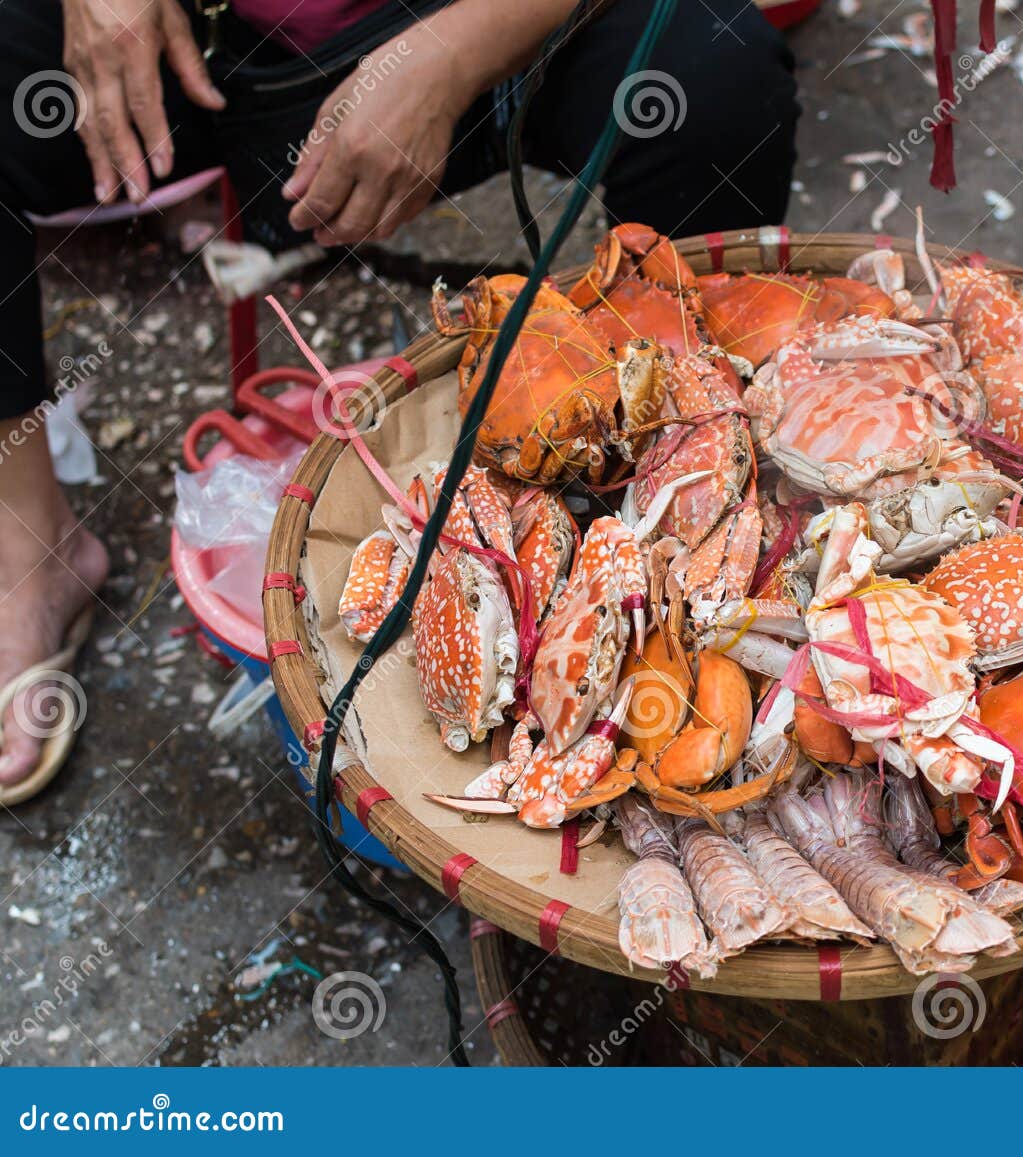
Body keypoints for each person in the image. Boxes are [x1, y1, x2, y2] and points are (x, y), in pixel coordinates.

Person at [0, 0, 799, 798]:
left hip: (490, 32)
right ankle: (32, 553)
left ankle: (684, 530)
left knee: (715, 76)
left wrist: (449, 57)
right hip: (201, 42)